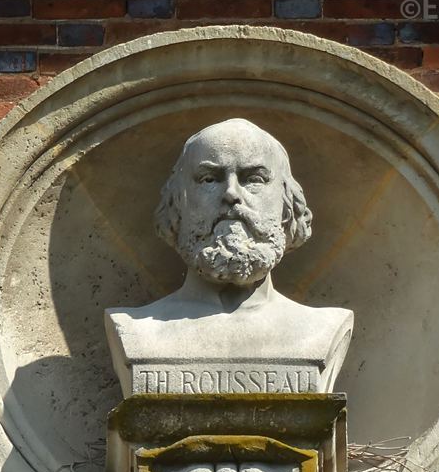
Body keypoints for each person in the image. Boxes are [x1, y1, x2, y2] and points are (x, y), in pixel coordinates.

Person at [105, 118, 353, 397]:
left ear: (288, 206)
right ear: (177, 204)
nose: (232, 194)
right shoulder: (135, 331)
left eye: (254, 179)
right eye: (209, 179)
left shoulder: (322, 330)